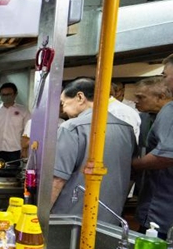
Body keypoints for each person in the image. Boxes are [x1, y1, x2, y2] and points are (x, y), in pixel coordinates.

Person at [50, 78, 136, 223]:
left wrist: (40, 216)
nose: (63, 110)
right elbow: (131, 173)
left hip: (72, 218)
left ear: (80, 97)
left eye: (63, 103)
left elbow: (57, 179)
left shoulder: (71, 128)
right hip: (111, 216)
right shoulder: (126, 129)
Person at [132, 68, 173, 237]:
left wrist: (133, 165)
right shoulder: (149, 117)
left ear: (160, 97)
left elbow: (166, 155)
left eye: (141, 97)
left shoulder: (169, 112)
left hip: (162, 208)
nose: (136, 101)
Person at [0, 83, 30, 162]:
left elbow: (27, 132)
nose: (6, 97)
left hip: (14, 150)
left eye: (8, 94)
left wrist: (24, 150)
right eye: (3, 94)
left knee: (12, 173)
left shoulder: (23, 111)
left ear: (15, 94)